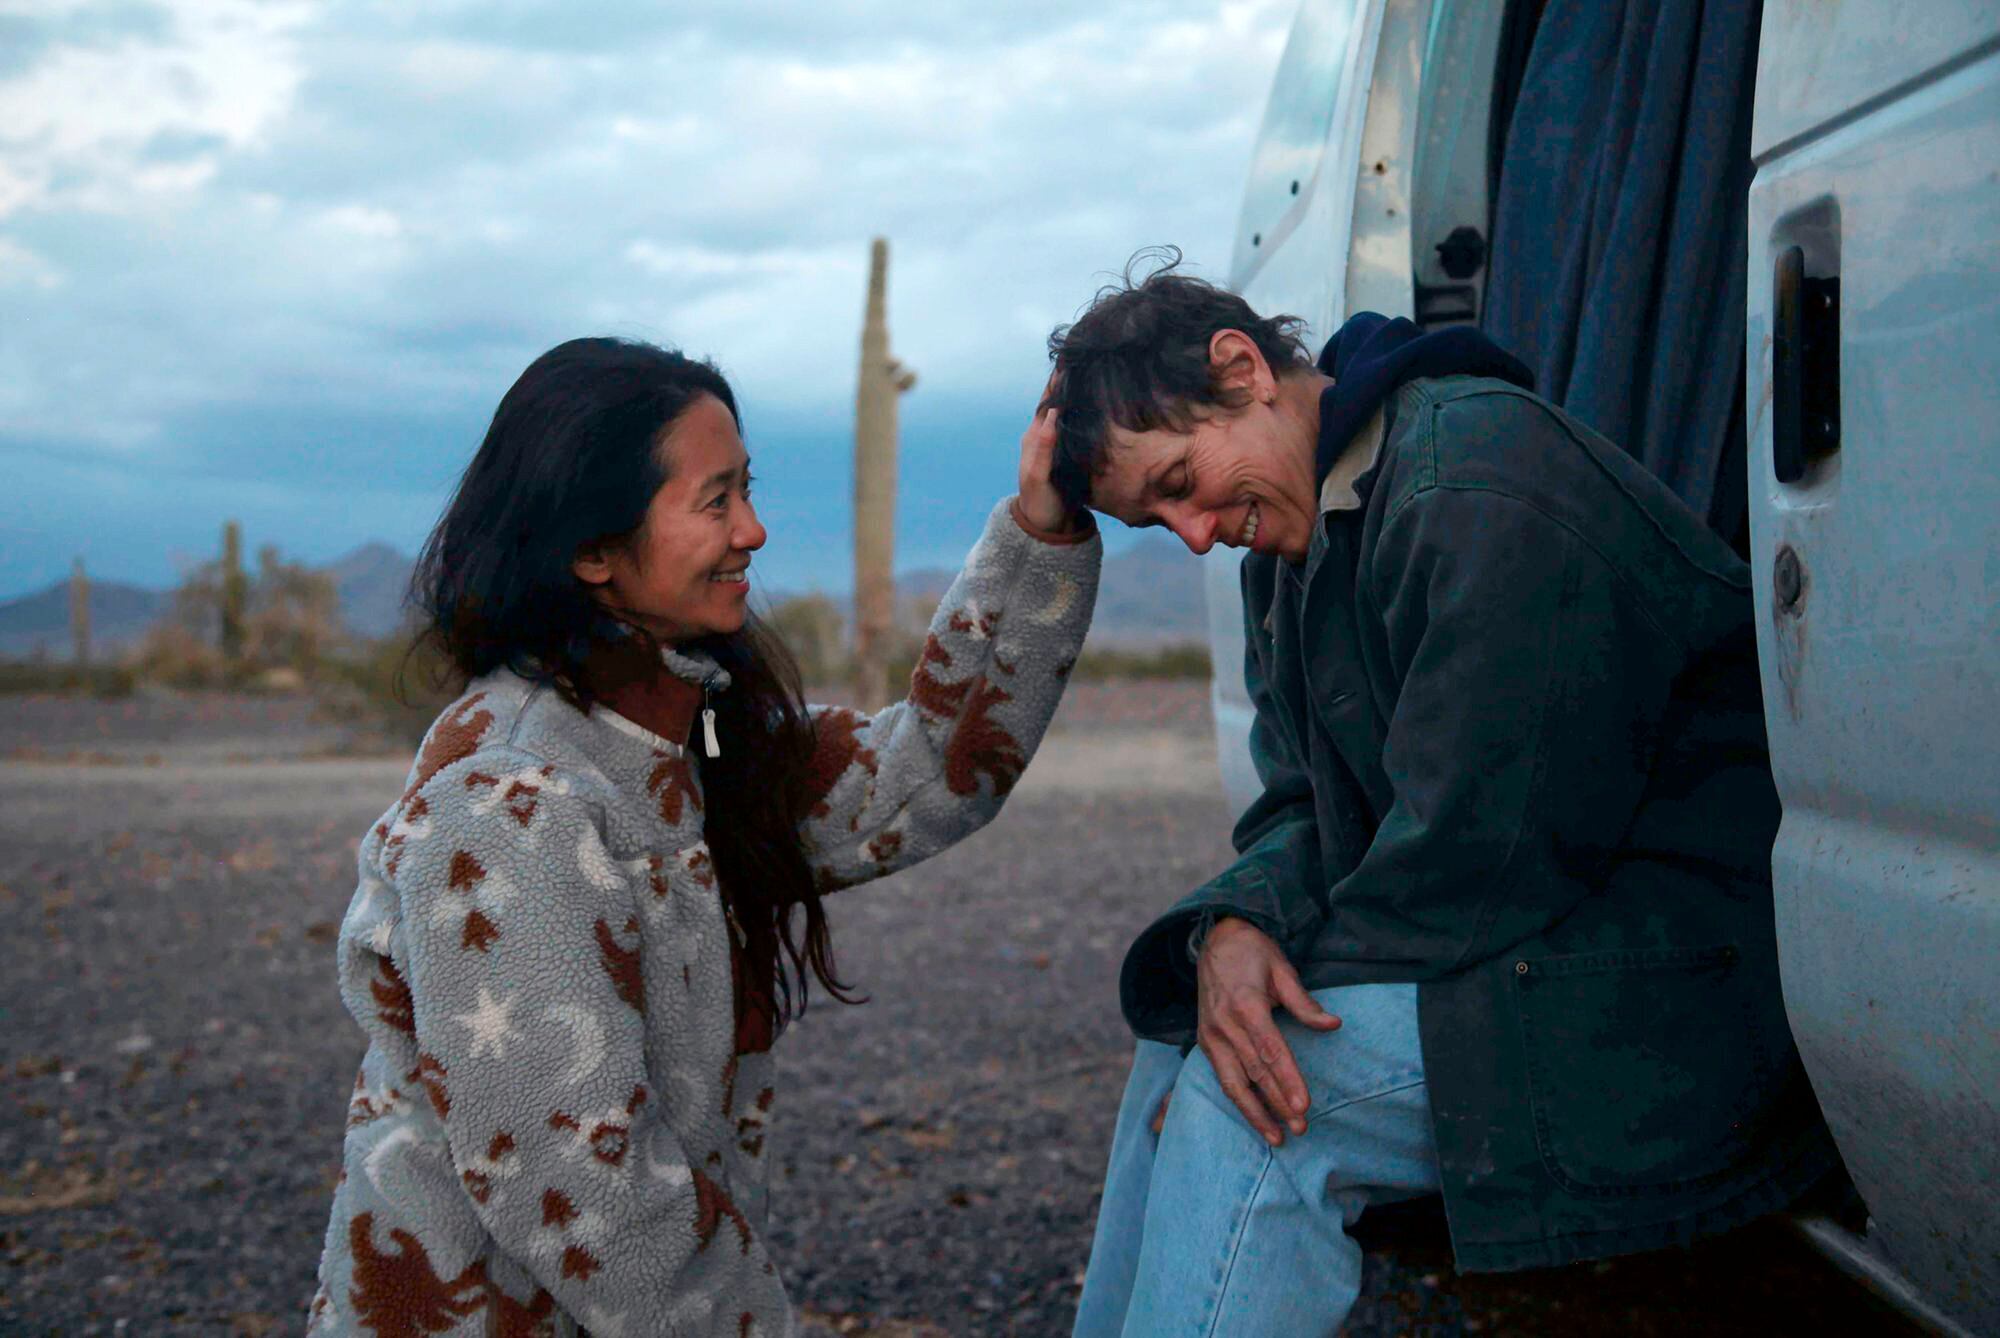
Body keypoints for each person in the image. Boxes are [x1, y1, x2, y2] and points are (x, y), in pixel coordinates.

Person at [1050, 261, 1840, 1336]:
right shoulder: (1296, 536)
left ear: (1240, 369)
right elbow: (1300, 805)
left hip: (1685, 980)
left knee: (1256, 1099)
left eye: (1181, 479)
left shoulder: (1474, 479)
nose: (1193, 532)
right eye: (1159, 520)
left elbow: (1484, 854)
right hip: (1535, 940)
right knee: (1190, 1036)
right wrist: (1236, 928)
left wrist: (1262, 974)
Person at [304, 338, 1099, 1336]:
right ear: (592, 548)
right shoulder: (508, 801)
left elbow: (923, 775)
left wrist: (1040, 530)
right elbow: (585, 1198)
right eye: (714, 501)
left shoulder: (681, 739)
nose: (753, 531)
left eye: (746, 492)